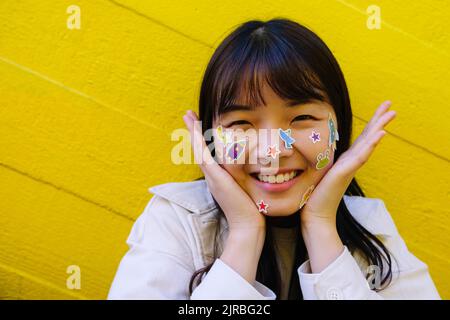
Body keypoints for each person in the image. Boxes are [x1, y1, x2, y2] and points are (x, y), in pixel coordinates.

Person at [108, 18, 440, 300]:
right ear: (208, 136)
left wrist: (322, 226)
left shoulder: (371, 227)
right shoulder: (177, 221)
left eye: (301, 119)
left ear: (338, 126)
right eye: (242, 124)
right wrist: (244, 233)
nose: (273, 151)